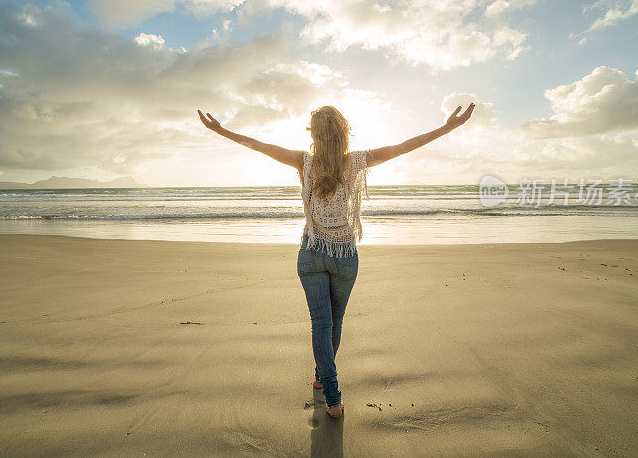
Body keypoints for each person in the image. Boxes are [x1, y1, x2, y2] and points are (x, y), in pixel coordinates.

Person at [197, 103, 475, 418]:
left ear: (314, 136)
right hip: (344, 254)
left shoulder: (303, 161)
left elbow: (259, 146)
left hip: (311, 251)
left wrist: (220, 131)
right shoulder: (356, 162)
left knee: (321, 323)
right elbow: (404, 147)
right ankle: (328, 388)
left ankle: (327, 389)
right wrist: (447, 128)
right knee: (334, 323)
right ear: (344, 134)